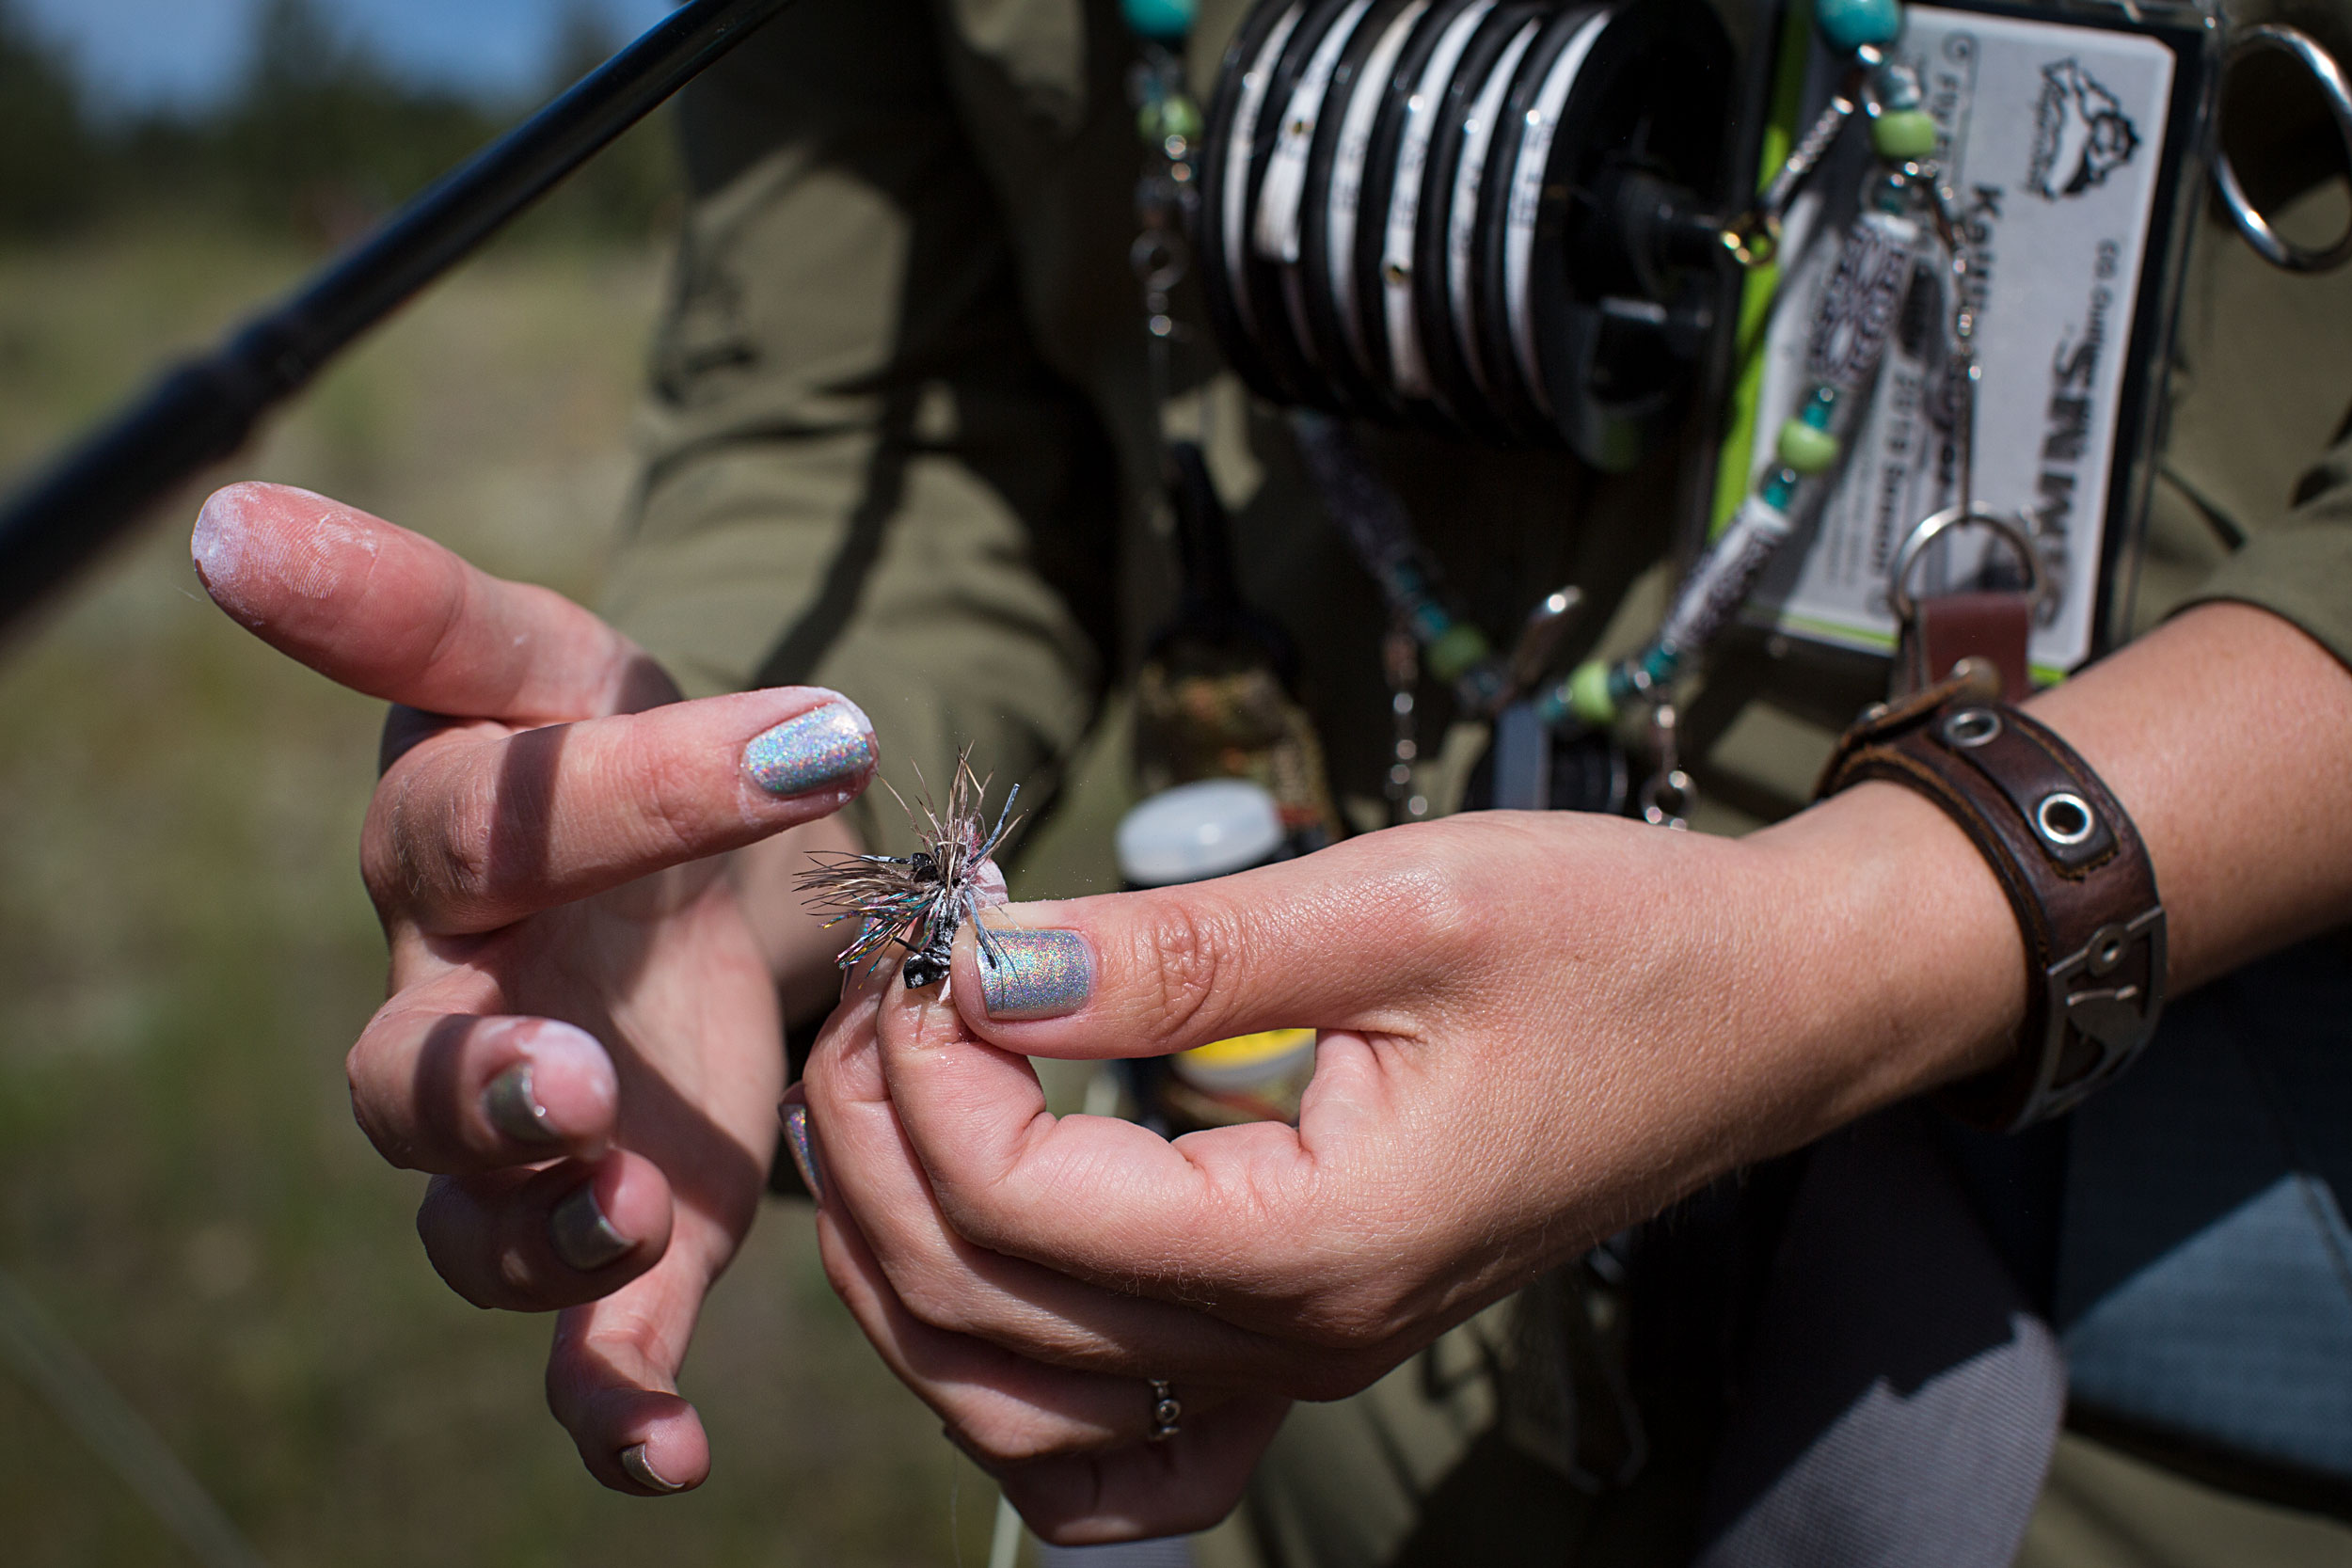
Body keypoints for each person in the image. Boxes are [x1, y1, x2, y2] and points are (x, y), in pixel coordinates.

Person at [191, 0, 2352, 1560]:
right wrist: (714, 837)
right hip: (1303, 1448)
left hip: (2130, 1396)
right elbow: (901, 433)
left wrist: (1872, 937)